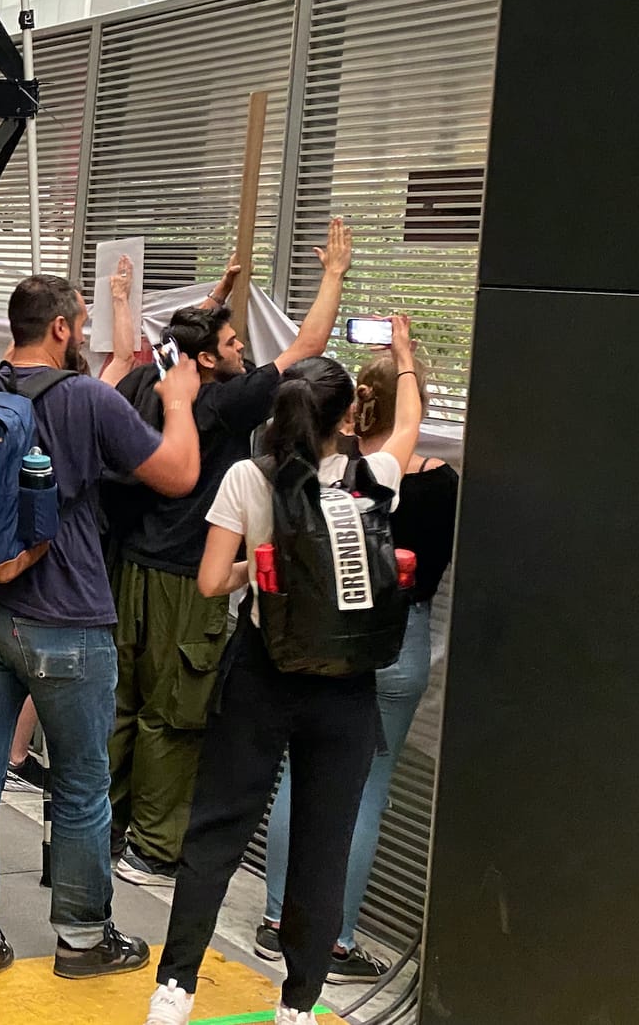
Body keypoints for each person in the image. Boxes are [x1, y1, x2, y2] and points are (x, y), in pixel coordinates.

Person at [141, 319, 421, 1025]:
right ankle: (298, 1005)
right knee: (324, 848)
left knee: (217, 831)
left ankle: (175, 989)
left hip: (263, 675)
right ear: (348, 418)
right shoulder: (375, 478)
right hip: (346, 693)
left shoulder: (249, 477)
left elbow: (210, 583)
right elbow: (409, 424)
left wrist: (261, 573)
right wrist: (403, 356)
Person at [0, 275, 202, 994]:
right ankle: (83, 939)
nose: (82, 332)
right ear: (59, 327)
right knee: (83, 784)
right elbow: (179, 474)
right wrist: (179, 402)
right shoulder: (86, 400)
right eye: (80, 321)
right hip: (68, 623)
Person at [108, 220, 352, 890]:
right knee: (173, 715)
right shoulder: (224, 402)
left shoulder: (155, 382)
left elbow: (177, 338)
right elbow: (308, 347)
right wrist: (333, 274)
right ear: (209, 361)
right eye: (233, 342)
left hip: (133, 571)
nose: (243, 348)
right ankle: (153, 850)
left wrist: (216, 296)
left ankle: (102, 826)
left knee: (123, 707)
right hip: (186, 579)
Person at [254, 345, 456, 984]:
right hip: (395, 639)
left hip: (320, 632)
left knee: (298, 773)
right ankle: (334, 941)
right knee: (365, 788)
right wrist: (408, 361)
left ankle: (276, 919)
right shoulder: (430, 481)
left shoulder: (324, 470)